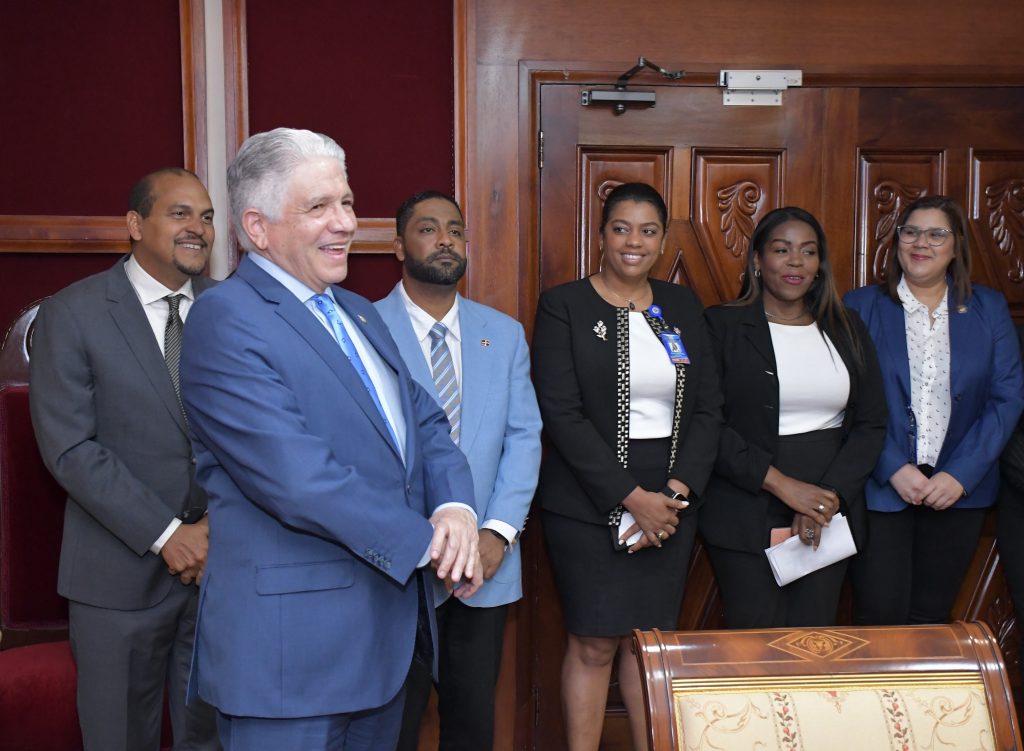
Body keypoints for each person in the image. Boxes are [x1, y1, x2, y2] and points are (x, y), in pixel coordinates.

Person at [178, 128, 482, 751]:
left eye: (345, 202)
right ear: (257, 228)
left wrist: (456, 506)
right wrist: (432, 545)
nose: (345, 223)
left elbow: (424, 421)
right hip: (292, 663)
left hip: (382, 651)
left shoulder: (358, 311)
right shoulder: (225, 318)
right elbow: (298, 480)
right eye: (318, 208)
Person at [29, 168, 220, 750]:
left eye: (208, 217)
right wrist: (169, 535)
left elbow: (262, 437)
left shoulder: (231, 311)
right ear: (135, 225)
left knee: (212, 739)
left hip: (221, 571)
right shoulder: (74, 312)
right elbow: (71, 449)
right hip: (116, 579)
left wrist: (216, 529)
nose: (198, 228)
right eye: (180, 213)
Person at [531, 182, 722, 751]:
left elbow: (710, 406)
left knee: (651, 646)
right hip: (586, 501)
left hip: (672, 500)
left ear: (662, 240)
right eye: (621, 228)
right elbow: (560, 414)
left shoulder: (682, 306)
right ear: (601, 236)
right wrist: (630, 498)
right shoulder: (564, 305)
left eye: (647, 230)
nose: (633, 242)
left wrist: (674, 495)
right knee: (593, 643)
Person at [375, 191, 542, 750]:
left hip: (484, 570)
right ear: (399, 245)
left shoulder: (505, 333)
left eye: (454, 229)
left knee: (472, 724)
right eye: (427, 229)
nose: (445, 239)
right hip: (397, 569)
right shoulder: (364, 330)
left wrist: (496, 533)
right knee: (390, 726)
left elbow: (523, 438)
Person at [700, 207, 887, 628]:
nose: (795, 262)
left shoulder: (846, 326)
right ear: (757, 261)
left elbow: (871, 422)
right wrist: (785, 488)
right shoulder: (721, 325)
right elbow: (706, 422)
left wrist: (824, 499)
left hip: (829, 510)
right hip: (745, 504)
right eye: (781, 250)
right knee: (756, 642)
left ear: (819, 265)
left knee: (813, 641)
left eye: (808, 252)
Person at [845, 194, 1024, 625]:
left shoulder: (989, 308)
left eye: (936, 233)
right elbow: (846, 395)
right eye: (911, 232)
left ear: (957, 245)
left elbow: (1007, 397)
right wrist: (891, 467)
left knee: (932, 618)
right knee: (879, 617)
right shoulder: (859, 306)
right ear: (898, 242)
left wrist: (959, 475)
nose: (920, 242)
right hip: (882, 489)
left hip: (958, 492)